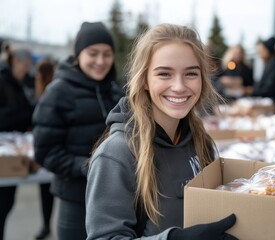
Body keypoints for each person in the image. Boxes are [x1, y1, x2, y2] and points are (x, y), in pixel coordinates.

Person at [85, 23, 237, 239]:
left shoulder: (201, 141)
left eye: (191, 74)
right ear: (144, 80)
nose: (179, 86)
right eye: (164, 74)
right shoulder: (117, 153)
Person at [32, 21, 117, 239]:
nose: (101, 61)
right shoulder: (57, 93)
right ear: (78, 55)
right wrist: (89, 167)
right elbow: (46, 151)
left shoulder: (115, 90)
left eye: (107, 54)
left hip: (117, 197)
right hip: (76, 199)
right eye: (93, 53)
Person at [0, 48, 33, 240]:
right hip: (4, 149)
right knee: (3, 202)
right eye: (24, 66)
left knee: (7, 201)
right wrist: (20, 114)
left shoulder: (22, 83)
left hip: (15, 147)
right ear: (15, 62)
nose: (26, 70)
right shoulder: (3, 81)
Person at [33, 58, 56, 240]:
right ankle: (46, 225)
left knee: (46, 191)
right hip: (49, 154)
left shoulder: (50, 92)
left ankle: (46, 225)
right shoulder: (50, 91)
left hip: (50, 154)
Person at [252, 36, 275, 112]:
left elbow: (269, 88)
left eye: (261, 51)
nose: (259, 54)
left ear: (267, 51)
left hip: (271, 104)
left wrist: (253, 91)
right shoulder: (269, 64)